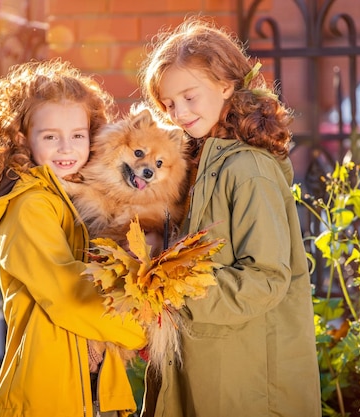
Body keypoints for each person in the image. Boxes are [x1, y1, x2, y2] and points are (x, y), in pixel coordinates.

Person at [137, 17, 322, 417]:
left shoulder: (248, 169)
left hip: (244, 376)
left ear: (225, 85)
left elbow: (267, 277)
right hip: (200, 360)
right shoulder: (198, 162)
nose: (179, 112)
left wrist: (178, 291)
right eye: (169, 105)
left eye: (189, 96)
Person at [0, 58, 146, 417]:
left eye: (77, 136)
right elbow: (66, 293)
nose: (66, 148)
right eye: (51, 137)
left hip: (90, 386)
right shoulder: (30, 205)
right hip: (48, 392)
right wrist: (140, 329)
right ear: (23, 138)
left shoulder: (76, 196)